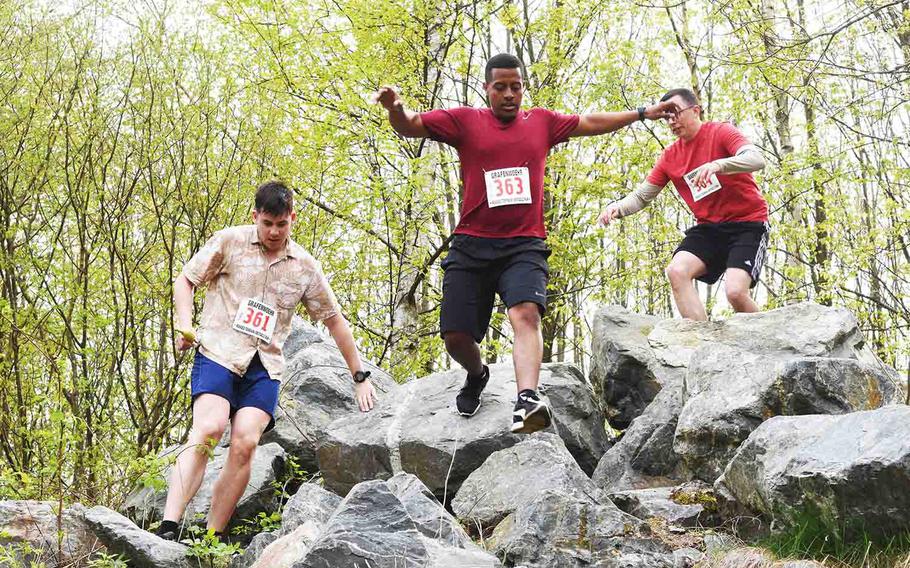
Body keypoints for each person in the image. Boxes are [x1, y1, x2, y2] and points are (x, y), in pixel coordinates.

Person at [374, 53, 674, 434]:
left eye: (516, 87)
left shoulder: (541, 123)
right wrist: (395, 108)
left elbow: (591, 122)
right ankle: (477, 373)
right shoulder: (465, 121)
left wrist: (642, 113)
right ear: (487, 88)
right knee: (455, 337)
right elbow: (411, 126)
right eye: (500, 87)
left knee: (526, 315)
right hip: (471, 245)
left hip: (524, 245)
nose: (510, 94)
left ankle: (527, 399)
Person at [155, 180, 377, 541]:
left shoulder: (304, 266)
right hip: (218, 352)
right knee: (209, 430)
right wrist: (183, 324)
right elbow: (186, 279)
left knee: (245, 443)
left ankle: (212, 539)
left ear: (292, 219)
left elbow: (334, 320)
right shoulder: (229, 241)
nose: (274, 232)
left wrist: (359, 375)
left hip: (265, 366)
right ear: (255, 216)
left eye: (282, 224)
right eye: (267, 223)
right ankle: (168, 525)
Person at [599, 88, 769, 321]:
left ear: (695, 110)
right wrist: (617, 208)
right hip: (709, 229)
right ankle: (701, 344)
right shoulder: (670, 156)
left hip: (747, 224)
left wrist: (718, 165)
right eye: (666, 117)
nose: (672, 121)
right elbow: (642, 196)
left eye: (676, 113)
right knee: (677, 271)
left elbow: (757, 159)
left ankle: (770, 343)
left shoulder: (721, 132)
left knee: (736, 292)